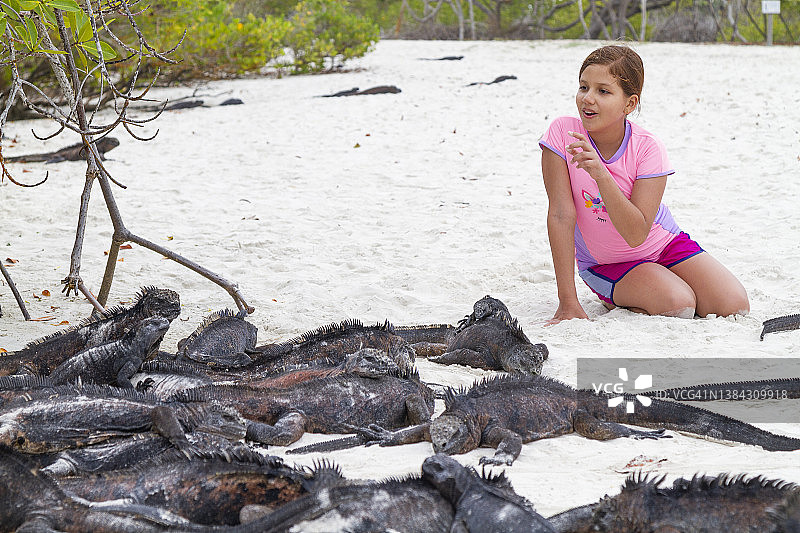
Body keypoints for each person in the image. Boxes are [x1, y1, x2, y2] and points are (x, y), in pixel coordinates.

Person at [539, 44, 748, 323]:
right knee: (679, 304)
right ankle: (636, 290)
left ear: (630, 103)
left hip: (664, 245)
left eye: (603, 91)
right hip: (607, 263)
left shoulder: (649, 148)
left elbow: (636, 233)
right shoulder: (562, 134)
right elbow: (561, 216)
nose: (588, 98)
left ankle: (657, 282)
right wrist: (568, 302)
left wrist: (601, 174)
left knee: (735, 305)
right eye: (583, 87)